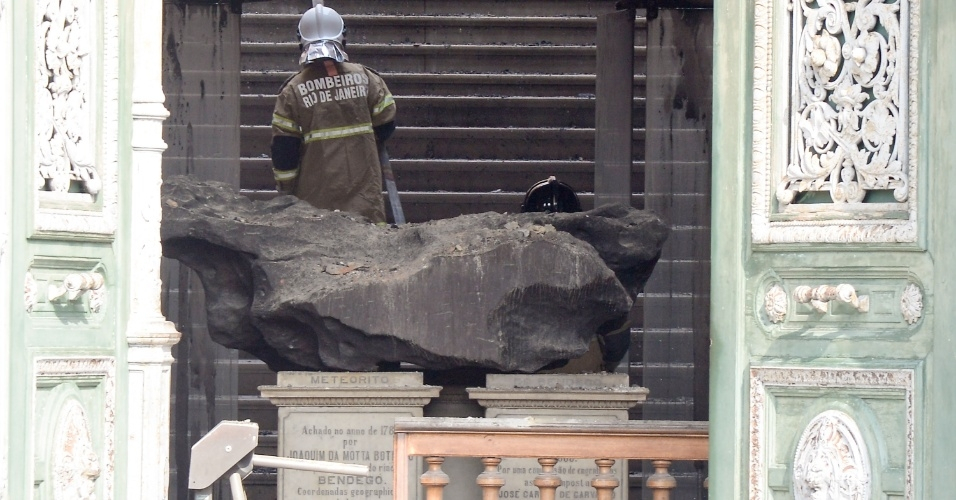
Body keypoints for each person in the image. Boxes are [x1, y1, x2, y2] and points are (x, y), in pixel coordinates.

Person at [270, 2, 397, 223]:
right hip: (364, 198)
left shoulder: (292, 91)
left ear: (301, 41)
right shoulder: (367, 78)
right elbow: (386, 124)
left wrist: (286, 192)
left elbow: (284, 152)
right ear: (343, 37)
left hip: (313, 204)